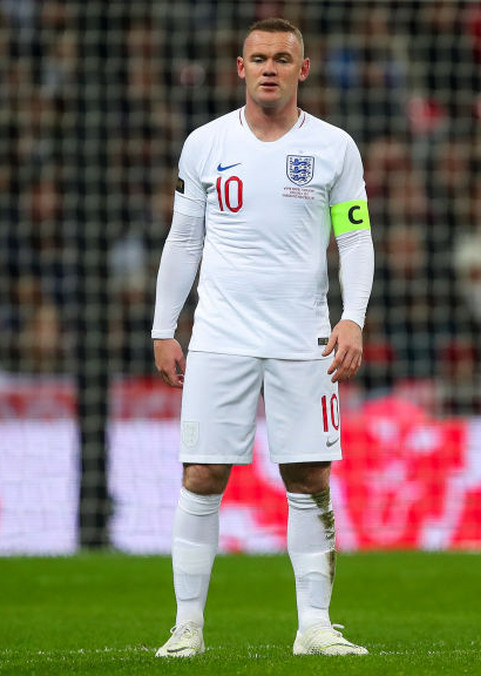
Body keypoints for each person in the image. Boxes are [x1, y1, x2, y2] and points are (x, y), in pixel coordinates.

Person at [150, 18, 374, 658]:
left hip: (306, 337)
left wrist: (352, 316)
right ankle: (187, 628)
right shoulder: (205, 144)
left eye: (282, 57)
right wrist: (165, 328)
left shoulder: (334, 148)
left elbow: (355, 240)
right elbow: (183, 240)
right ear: (239, 68)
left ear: (303, 69)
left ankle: (315, 627)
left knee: (308, 476)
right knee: (201, 475)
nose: (269, 67)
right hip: (220, 335)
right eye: (258, 57)